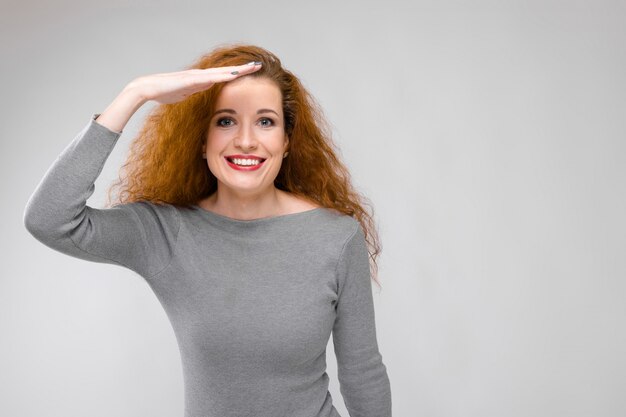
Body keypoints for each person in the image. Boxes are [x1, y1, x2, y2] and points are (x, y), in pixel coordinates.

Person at [23, 44, 392, 417]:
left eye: (266, 122)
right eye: (225, 121)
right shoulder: (166, 232)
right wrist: (135, 93)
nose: (246, 140)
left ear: (287, 141)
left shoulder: (336, 236)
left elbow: (362, 372)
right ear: (201, 141)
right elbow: (49, 220)